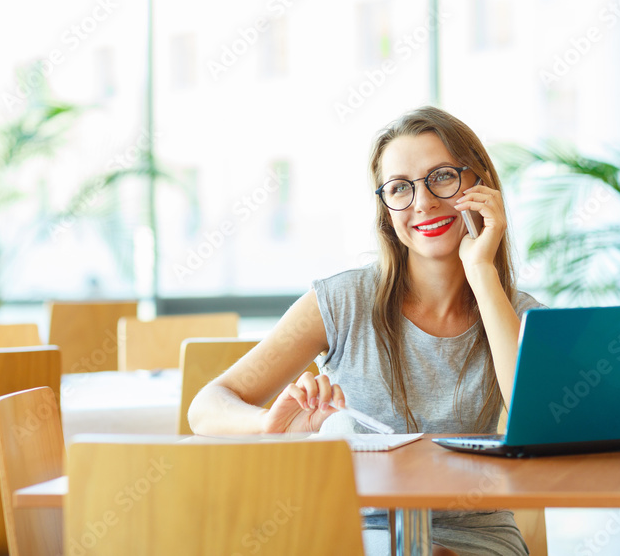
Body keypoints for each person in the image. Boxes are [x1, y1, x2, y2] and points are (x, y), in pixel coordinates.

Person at [189, 106, 542, 556]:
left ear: (478, 184)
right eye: (400, 188)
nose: (423, 202)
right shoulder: (342, 302)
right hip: (354, 533)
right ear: (386, 209)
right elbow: (206, 406)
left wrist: (482, 274)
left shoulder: (518, 315)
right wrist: (265, 424)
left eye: (442, 177)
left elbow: (537, 420)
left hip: (474, 538)